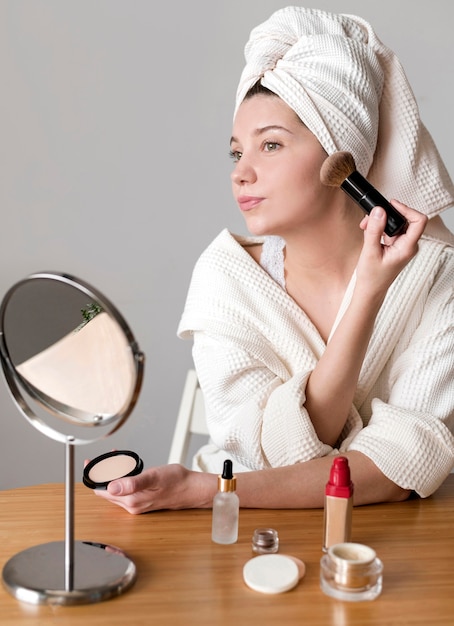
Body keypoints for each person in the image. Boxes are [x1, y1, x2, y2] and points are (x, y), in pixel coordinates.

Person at [95, 6, 454, 514]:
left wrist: (208, 490)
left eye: (270, 145)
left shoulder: (438, 277)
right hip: (242, 537)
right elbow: (275, 456)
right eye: (237, 153)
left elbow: (406, 469)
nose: (242, 173)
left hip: (394, 549)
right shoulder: (225, 281)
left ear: (341, 158)